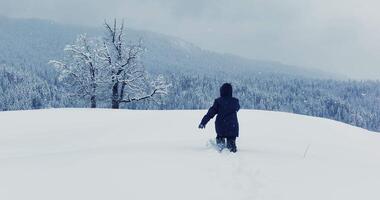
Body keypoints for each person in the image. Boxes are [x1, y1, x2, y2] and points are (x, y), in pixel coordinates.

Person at [199, 83, 240, 152]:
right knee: (231, 142)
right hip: (232, 127)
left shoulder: (218, 101)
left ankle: (220, 149)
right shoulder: (235, 101)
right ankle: (231, 147)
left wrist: (203, 122)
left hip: (221, 126)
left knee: (220, 142)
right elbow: (237, 108)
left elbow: (210, 113)